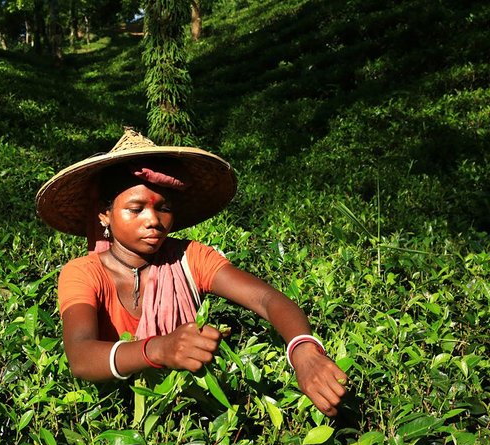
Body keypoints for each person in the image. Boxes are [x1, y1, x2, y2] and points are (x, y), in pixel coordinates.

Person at [35, 128, 348, 417]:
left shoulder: (190, 258)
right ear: (105, 214)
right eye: (136, 208)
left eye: (164, 207)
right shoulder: (84, 273)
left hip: (191, 419)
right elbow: (81, 355)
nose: (153, 220)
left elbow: (267, 300)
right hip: (107, 423)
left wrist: (304, 351)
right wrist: (159, 348)